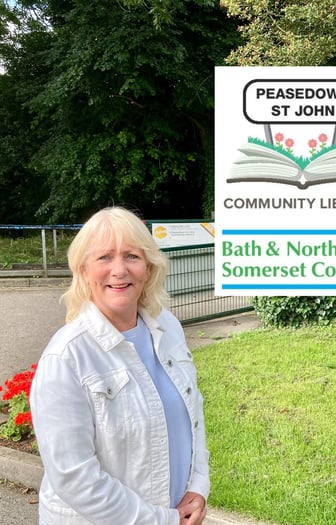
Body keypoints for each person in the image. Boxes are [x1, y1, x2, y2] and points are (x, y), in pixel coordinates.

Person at [31, 207, 210, 524]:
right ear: (84, 269)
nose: (119, 270)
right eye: (104, 257)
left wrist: (198, 487)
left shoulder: (168, 327)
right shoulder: (66, 358)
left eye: (131, 256)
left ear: (148, 267)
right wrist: (163, 520)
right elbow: (75, 477)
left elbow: (192, 413)